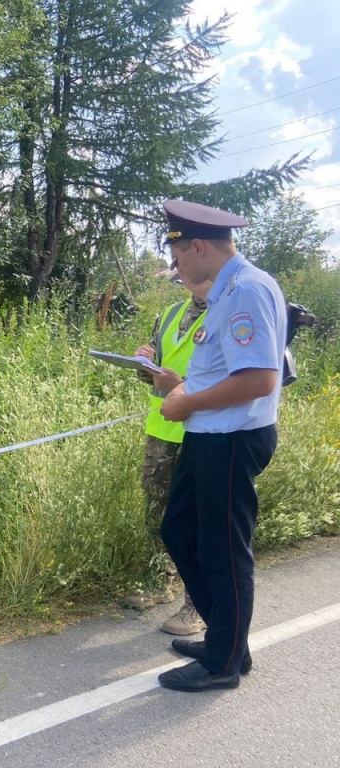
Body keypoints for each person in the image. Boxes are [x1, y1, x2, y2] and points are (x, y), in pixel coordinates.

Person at [152, 199, 287, 693]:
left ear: (200, 246)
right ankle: (227, 642)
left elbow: (258, 379)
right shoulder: (229, 290)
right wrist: (183, 386)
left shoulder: (246, 290)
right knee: (181, 531)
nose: (177, 266)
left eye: (178, 255)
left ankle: (224, 661)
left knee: (224, 550)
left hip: (230, 439)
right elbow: (225, 369)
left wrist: (187, 403)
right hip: (210, 434)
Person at [123, 270, 212, 638]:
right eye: (183, 277)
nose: (189, 281)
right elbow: (155, 371)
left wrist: (181, 386)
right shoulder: (171, 313)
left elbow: (229, 378)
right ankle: (163, 581)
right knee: (158, 515)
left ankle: (198, 605)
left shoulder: (225, 313)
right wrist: (144, 360)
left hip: (200, 431)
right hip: (160, 431)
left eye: (193, 275)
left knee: (194, 519)